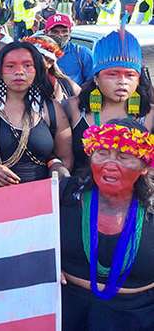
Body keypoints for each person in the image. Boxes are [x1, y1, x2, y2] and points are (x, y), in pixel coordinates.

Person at [59, 119, 154, 330]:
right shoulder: (64, 194)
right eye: (102, 153)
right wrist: (44, 265)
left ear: (145, 167)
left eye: (124, 156)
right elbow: (22, 233)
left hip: (137, 317)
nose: (110, 164)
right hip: (70, 310)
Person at [0, 42, 73, 191]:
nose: (19, 72)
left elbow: (65, 157)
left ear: (37, 70)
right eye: (10, 66)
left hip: (38, 201)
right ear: (0, 71)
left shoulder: (51, 108)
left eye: (27, 65)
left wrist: (57, 168)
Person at [64, 29, 153, 174]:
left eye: (130, 75)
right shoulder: (73, 108)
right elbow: (61, 158)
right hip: (81, 192)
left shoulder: (151, 114)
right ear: (96, 79)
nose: (122, 82)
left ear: (138, 79)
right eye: (113, 74)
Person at [23, 35, 81, 102]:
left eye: (34, 57)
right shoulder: (14, 83)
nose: (27, 61)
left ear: (49, 62)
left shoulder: (66, 84)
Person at [45, 13, 94, 86]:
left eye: (64, 31)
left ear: (70, 33)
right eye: (55, 32)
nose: (60, 35)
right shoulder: (38, 55)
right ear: (46, 33)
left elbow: (93, 83)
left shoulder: (82, 53)